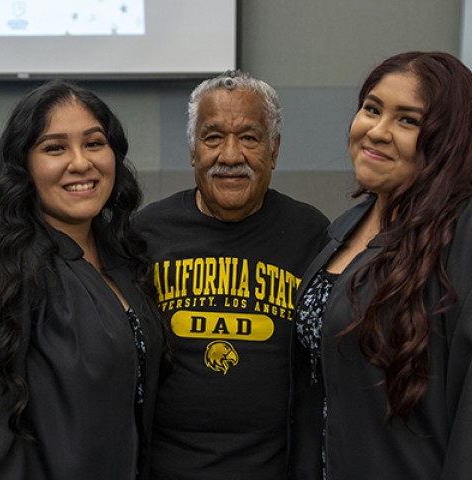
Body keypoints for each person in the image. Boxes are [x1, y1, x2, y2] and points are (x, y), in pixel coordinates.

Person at [289, 51, 472, 479]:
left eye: (407, 120)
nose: (377, 131)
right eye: (371, 109)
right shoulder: (344, 228)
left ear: (447, 138)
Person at [0, 80, 163, 479]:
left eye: (94, 143)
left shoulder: (123, 256)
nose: (80, 163)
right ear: (23, 164)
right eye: (55, 148)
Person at [133, 70, 330, 479]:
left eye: (249, 138)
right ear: (192, 150)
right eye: (212, 137)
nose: (230, 155)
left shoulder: (311, 235)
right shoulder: (144, 235)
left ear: (273, 151)